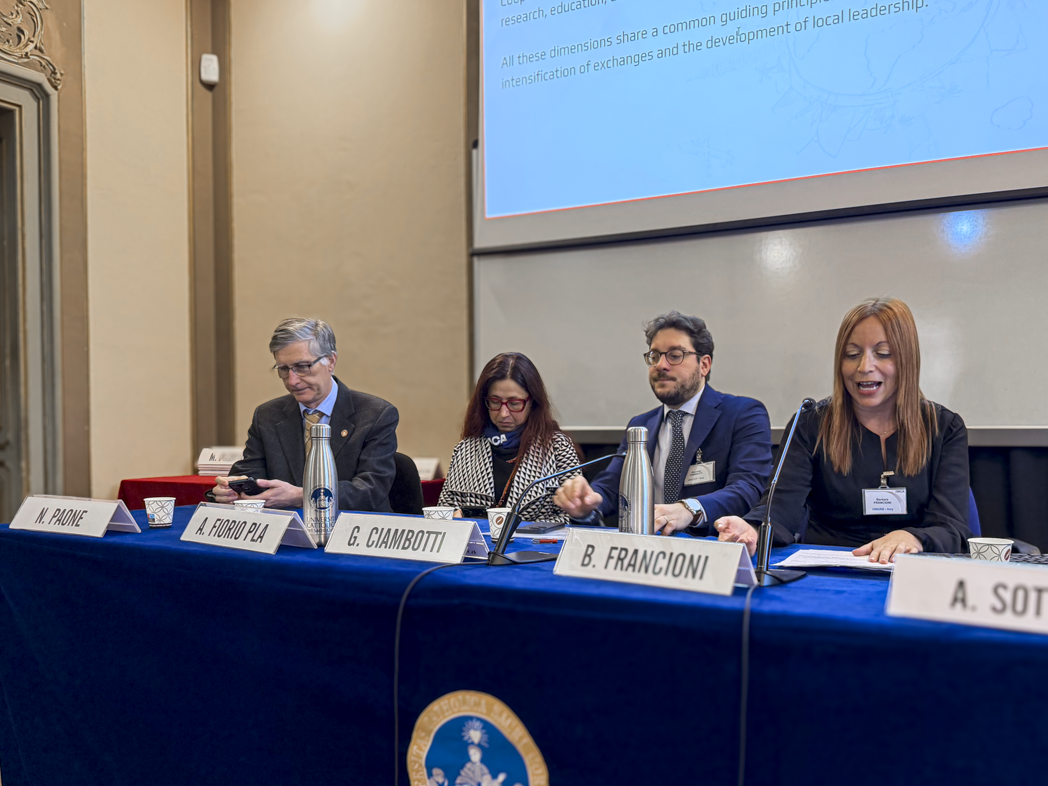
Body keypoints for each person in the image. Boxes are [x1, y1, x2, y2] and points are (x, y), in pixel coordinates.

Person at [715, 297, 970, 563]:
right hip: (830, 570)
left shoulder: (944, 428)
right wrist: (753, 529)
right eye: (852, 355)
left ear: (908, 359)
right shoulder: (811, 424)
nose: (864, 367)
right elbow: (779, 508)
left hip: (912, 570)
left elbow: (951, 525)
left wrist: (911, 538)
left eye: (883, 354)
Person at [553, 312, 773, 535]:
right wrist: (588, 499)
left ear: (704, 365)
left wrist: (688, 510)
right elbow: (611, 487)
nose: (660, 365)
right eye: (655, 356)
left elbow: (747, 488)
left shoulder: (742, 414)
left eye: (675, 356)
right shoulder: (641, 425)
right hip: (647, 548)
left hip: (712, 546)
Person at [210, 317, 398, 511]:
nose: (292, 381)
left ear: (330, 361)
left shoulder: (375, 415)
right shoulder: (267, 416)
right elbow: (251, 473)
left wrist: (302, 496)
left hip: (353, 525)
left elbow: (371, 489)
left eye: (302, 367)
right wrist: (232, 489)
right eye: (284, 369)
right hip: (286, 526)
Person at [438, 353, 580, 524]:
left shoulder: (557, 448)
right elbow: (444, 511)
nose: (503, 413)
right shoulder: (465, 449)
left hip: (535, 541)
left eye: (514, 403)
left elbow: (576, 518)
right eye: (495, 402)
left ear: (532, 402)